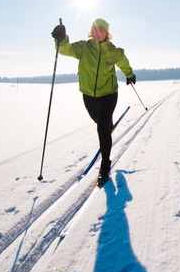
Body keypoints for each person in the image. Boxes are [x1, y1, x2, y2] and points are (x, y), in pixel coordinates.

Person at [51, 18, 136, 186]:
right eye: (94, 30)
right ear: (91, 31)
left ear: (107, 34)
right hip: (88, 94)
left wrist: (129, 74)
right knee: (99, 121)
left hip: (109, 93)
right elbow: (65, 49)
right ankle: (106, 124)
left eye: (101, 30)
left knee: (102, 127)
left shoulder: (113, 51)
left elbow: (123, 62)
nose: (97, 33)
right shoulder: (83, 47)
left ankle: (105, 164)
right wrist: (60, 38)